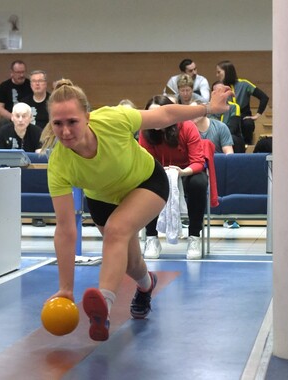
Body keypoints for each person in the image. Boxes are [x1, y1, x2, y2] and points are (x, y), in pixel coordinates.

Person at [40, 79, 231, 341]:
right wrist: (65, 290)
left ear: (87, 116)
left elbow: (163, 115)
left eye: (72, 121)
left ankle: (103, 309)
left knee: (116, 232)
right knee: (130, 263)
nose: (65, 131)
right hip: (104, 200)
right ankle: (146, 285)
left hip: (146, 182)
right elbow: (64, 230)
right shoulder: (59, 164)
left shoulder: (111, 119)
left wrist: (209, 108)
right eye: (57, 124)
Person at [139, 95, 209, 260]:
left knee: (199, 183)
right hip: (158, 171)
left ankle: (194, 237)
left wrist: (181, 172)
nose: (154, 120)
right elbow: (144, 160)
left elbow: (198, 162)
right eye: (150, 115)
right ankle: (151, 238)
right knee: (145, 183)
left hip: (186, 171)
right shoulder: (145, 132)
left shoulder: (187, 126)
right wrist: (162, 172)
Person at [216, 60, 270, 146]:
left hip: (243, 117)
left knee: (248, 123)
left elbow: (264, 97)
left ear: (227, 72)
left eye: (219, 72)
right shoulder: (218, 87)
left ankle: (247, 145)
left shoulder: (244, 84)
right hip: (228, 118)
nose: (217, 75)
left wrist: (257, 115)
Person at [0, 60, 33, 127]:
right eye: (18, 72)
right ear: (12, 73)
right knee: (2, 122)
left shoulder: (31, 85)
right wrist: (13, 117)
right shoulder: (4, 86)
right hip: (10, 118)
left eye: (23, 72)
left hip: (27, 118)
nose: (21, 75)